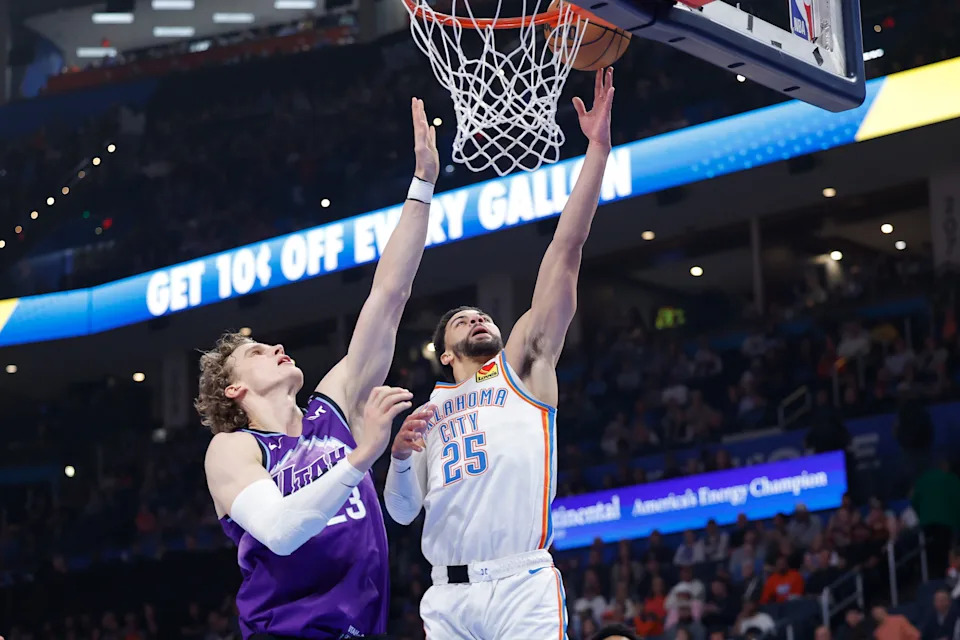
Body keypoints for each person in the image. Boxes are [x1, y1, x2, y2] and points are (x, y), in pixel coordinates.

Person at [383, 68, 617, 639]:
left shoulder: (524, 368)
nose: (478, 317)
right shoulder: (424, 414)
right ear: (444, 352)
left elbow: (567, 248)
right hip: (447, 596)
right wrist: (398, 455)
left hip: (521, 585)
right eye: (462, 319)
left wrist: (598, 151)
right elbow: (402, 512)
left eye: (483, 314)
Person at [197, 98, 440, 639]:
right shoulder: (234, 449)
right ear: (234, 388)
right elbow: (281, 532)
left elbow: (389, 295)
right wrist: (362, 456)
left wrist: (422, 185)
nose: (276, 346)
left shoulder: (333, 406)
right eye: (256, 351)